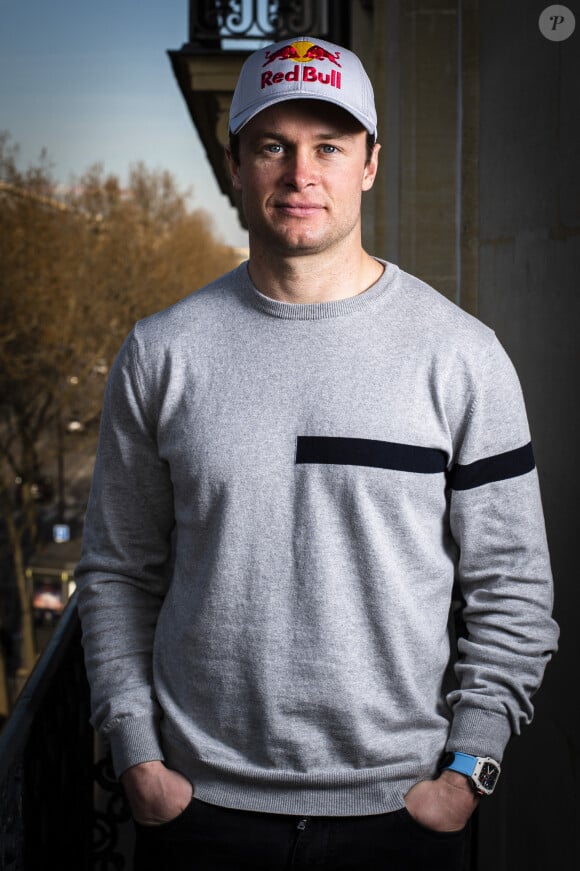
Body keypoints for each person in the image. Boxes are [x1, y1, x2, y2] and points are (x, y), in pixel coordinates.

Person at [75, 36, 559, 871]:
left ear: (369, 163)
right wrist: (137, 758)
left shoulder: (462, 356)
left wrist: (466, 773)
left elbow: (514, 591)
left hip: (400, 817)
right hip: (200, 812)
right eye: (274, 146)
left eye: (329, 147)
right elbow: (117, 571)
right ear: (236, 165)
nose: (302, 174)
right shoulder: (161, 353)